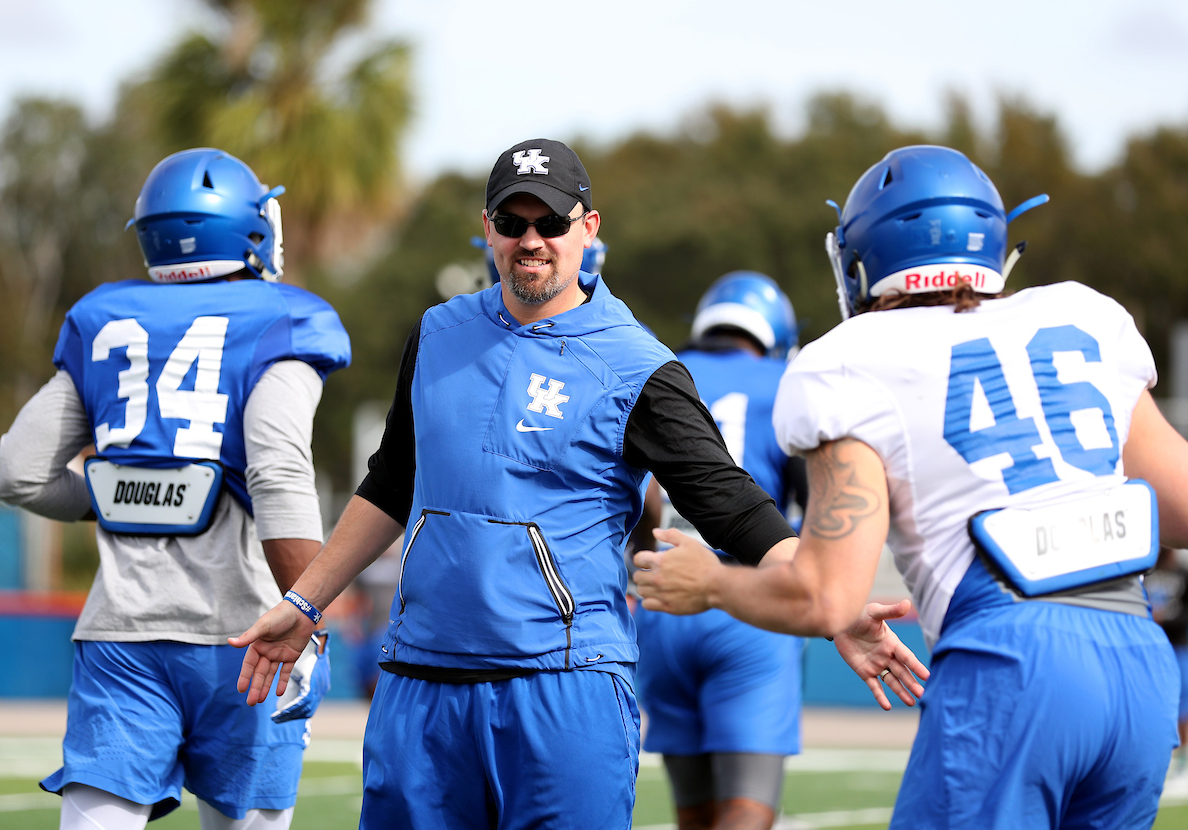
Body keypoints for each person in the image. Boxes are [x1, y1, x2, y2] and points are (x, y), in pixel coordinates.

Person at [228, 138, 922, 829]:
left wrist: (836, 606)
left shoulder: (637, 364)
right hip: (421, 686)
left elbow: (734, 507)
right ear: (488, 227)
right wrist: (306, 601)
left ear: (588, 228)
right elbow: (390, 483)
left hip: (565, 692)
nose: (531, 240)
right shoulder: (437, 332)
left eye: (551, 223)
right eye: (513, 222)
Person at [634, 144, 1182, 829]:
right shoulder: (1084, 317)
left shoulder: (851, 361)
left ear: (862, 259)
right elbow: (1181, 507)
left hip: (1011, 662)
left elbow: (824, 596)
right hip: (1138, 663)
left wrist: (710, 585)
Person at [0, 148, 351, 830]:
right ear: (250, 227)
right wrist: (309, 614)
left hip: (121, 634)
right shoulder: (282, 318)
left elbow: (15, 472)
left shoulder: (106, 320)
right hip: (248, 634)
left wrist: (113, 495)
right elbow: (277, 472)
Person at [636, 271, 812, 830]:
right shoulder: (786, 381)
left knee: (695, 814)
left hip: (662, 601)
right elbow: (814, 509)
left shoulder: (653, 366)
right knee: (745, 810)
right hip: (748, 604)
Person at [1148, 546, 1188, 774]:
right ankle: (1164, 754)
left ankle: (1183, 753)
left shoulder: (1183, 573)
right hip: (1152, 644)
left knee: (1183, 701)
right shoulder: (1148, 573)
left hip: (1178, 642)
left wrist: (1167, 617)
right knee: (1157, 698)